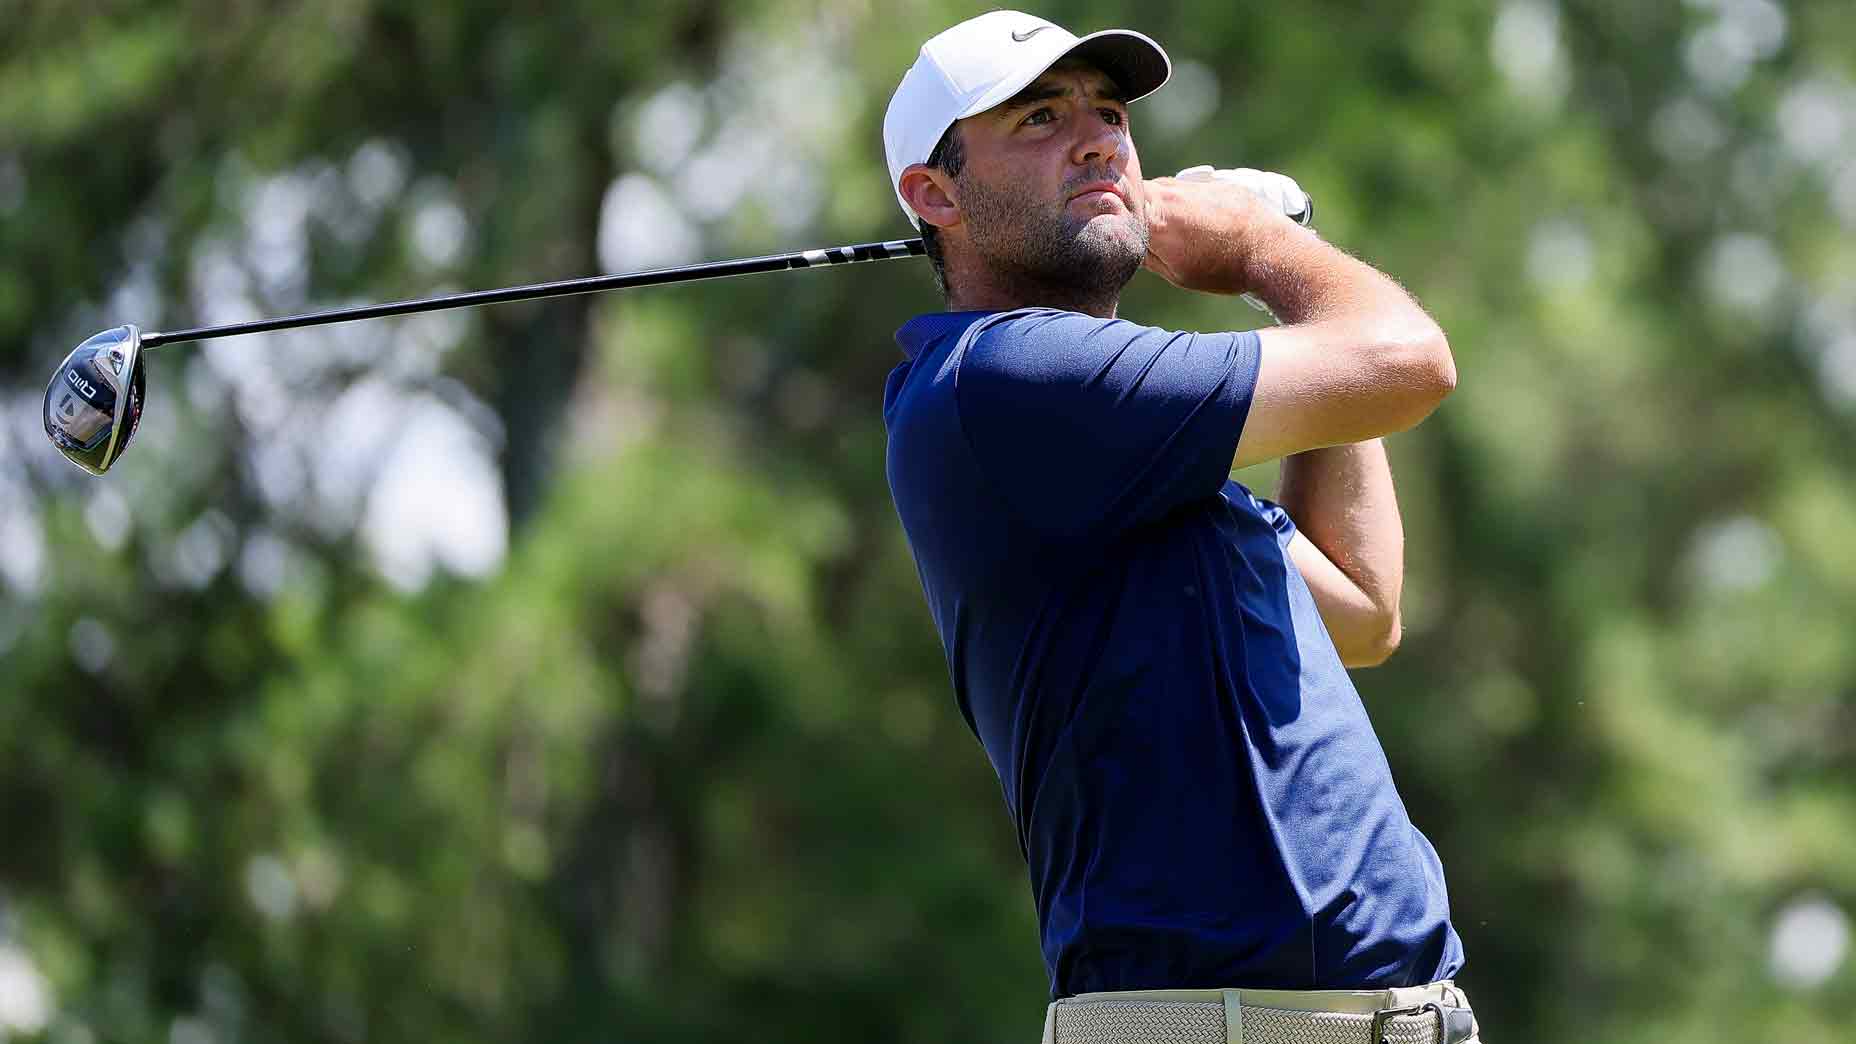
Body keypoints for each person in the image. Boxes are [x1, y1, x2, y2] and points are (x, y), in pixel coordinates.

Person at [879, 11, 1480, 1044]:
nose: (1097, 137)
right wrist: (1262, 247)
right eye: (1037, 117)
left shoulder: (1127, 445)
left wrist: (1283, 287)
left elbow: (1359, 607)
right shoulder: (1007, 378)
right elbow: (1407, 362)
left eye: (1108, 112)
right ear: (934, 196)